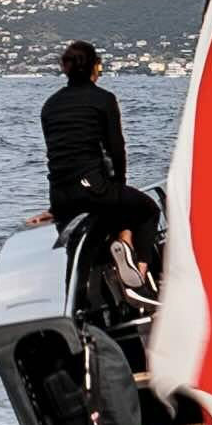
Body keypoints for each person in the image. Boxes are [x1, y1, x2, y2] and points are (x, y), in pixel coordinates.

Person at [34, 39, 161, 297]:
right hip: (95, 190)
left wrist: (54, 207)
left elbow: (59, 157)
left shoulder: (50, 105)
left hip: (61, 197)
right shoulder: (103, 100)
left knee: (78, 249)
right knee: (148, 210)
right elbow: (116, 149)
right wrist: (118, 186)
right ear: (95, 67)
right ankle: (140, 273)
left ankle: (75, 303)